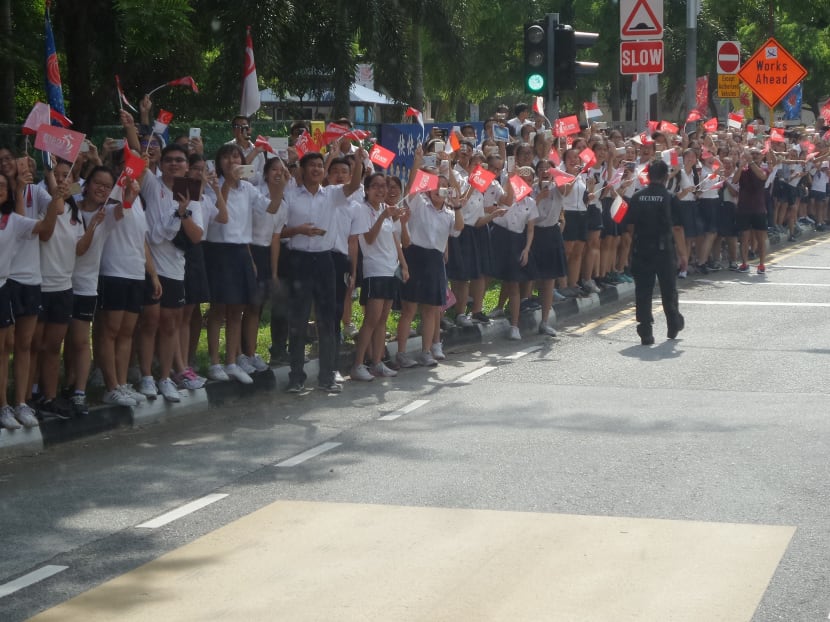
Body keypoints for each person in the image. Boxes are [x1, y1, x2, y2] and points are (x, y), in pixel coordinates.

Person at [273, 149, 364, 394]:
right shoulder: (290, 196)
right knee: (298, 320)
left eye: (319, 166)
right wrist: (298, 230)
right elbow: (278, 231)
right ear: (302, 170)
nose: (316, 169)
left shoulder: (332, 194)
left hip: (325, 261)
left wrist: (358, 162)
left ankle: (327, 376)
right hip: (298, 261)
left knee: (327, 320)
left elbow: (354, 185)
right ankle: (296, 377)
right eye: (311, 165)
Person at [626, 159, 687, 345]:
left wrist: (632, 248)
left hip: (641, 249)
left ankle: (645, 330)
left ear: (648, 176)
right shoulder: (670, 197)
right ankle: (673, 322)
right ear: (666, 177)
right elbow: (677, 228)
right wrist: (683, 254)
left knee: (643, 291)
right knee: (668, 289)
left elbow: (630, 227)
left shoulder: (637, 197)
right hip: (664, 250)